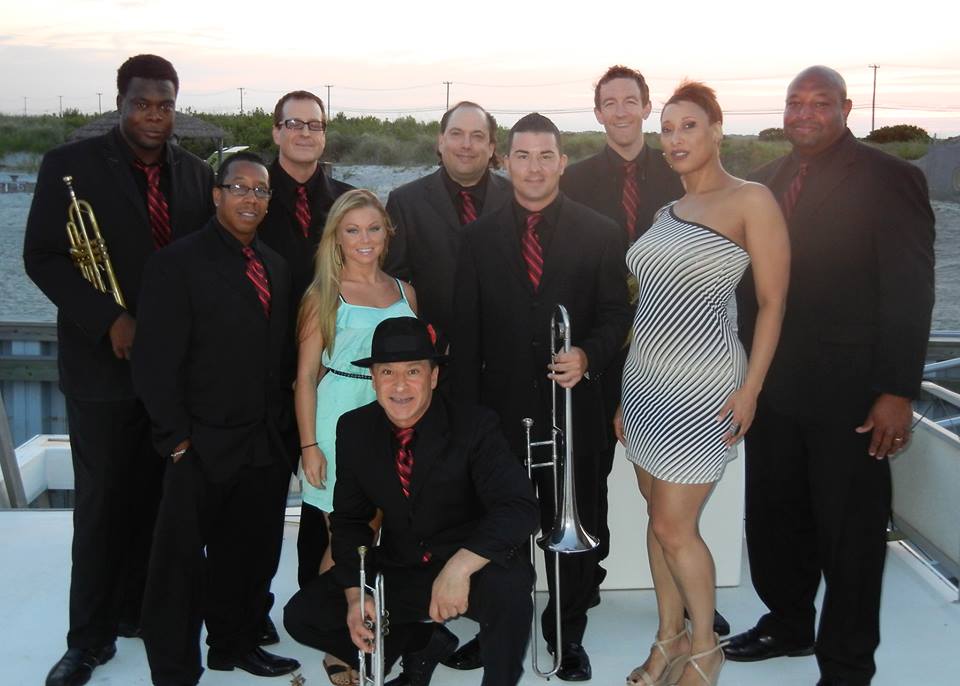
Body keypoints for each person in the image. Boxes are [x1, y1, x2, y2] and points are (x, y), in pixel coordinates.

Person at [725, 66, 935, 686]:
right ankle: (788, 623)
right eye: (795, 102)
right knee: (774, 518)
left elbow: (909, 290)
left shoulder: (890, 178)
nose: (805, 113)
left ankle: (845, 665)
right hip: (774, 391)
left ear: (846, 108)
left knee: (851, 536)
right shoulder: (765, 182)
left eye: (821, 103)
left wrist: (898, 390)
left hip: (853, 397)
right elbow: (748, 290)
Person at [23, 54, 214, 686]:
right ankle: (89, 638)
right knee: (102, 504)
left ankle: (142, 613)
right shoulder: (67, 166)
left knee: (163, 502)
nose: (154, 116)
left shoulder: (194, 174)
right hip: (103, 368)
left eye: (164, 104)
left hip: (173, 375)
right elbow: (43, 258)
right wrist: (109, 319)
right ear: (120, 102)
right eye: (142, 104)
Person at [615, 80, 789, 686]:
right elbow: (646, 306)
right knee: (656, 519)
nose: (676, 138)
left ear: (717, 131)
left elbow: (771, 303)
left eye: (689, 125)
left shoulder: (752, 201)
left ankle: (705, 646)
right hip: (643, 387)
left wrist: (752, 389)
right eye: (668, 129)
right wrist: (620, 394)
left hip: (704, 388)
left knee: (673, 526)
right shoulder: (667, 212)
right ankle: (669, 637)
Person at [452, 112, 632, 681]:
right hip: (498, 417)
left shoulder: (600, 231)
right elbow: (466, 330)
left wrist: (588, 355)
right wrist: (464, 421)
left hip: (576, 412)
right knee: (496, 529)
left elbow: (614, 315)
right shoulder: (476, 238)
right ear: (506, 162)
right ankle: (496, 629)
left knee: (576, 531)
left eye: (545, 156)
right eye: (523, 156)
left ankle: (566, 634)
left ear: (562, 162)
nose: (534, 167)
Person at [284, 316, 539, 686]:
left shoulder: (475, 424)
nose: (399, 385)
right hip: (403, 566)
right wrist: (356, 596)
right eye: (387, 371)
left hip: (470, 561)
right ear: (373, 378)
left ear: (434, 377)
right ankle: (421, 643)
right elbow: (350, 521)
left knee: (511, 587)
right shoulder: (354, 428)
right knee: (303, 615)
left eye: (413, 371)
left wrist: (459, 568)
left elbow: (519, 507)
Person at [132, 152, 301, 685]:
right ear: (216, 195)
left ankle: (236, 643)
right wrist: (177, 439)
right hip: (200, 445)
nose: (250, 198)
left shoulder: (274, 264)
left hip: (262, 443)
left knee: (251, 555)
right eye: (239, 187)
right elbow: (153, 361)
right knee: (178, 568)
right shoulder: (176, 263)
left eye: (261, 190)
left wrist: (283, 435)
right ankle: (175, 668)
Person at [294, 189, 417, 683]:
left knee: (379, 532)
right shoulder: (323, 294)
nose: (364, 239)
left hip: (396, 422)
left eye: (372, 228)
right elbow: (304, 378)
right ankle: (335, 641)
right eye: (352, 230)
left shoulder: (407, 292)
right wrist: (309, 446)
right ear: (337, 239)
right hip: (340, 419)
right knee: (344, 538)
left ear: (387, 233)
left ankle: (370, 627)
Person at [384, 101, 512, 344]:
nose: (466, 144)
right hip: (435, 358)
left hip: (506, 354)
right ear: (441, 141)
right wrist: (425, 339)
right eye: (456, 134)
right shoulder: (405, 202)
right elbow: (392, 285)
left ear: (491, 146)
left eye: (477, 136)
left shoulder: (517, 200)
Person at [258, 90, 354, 306]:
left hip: (335, 332)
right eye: (294, 124)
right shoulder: (250, 201)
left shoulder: (349, 202)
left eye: (314, 125)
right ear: (276, 132)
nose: (305, 133)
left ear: (323, 135)